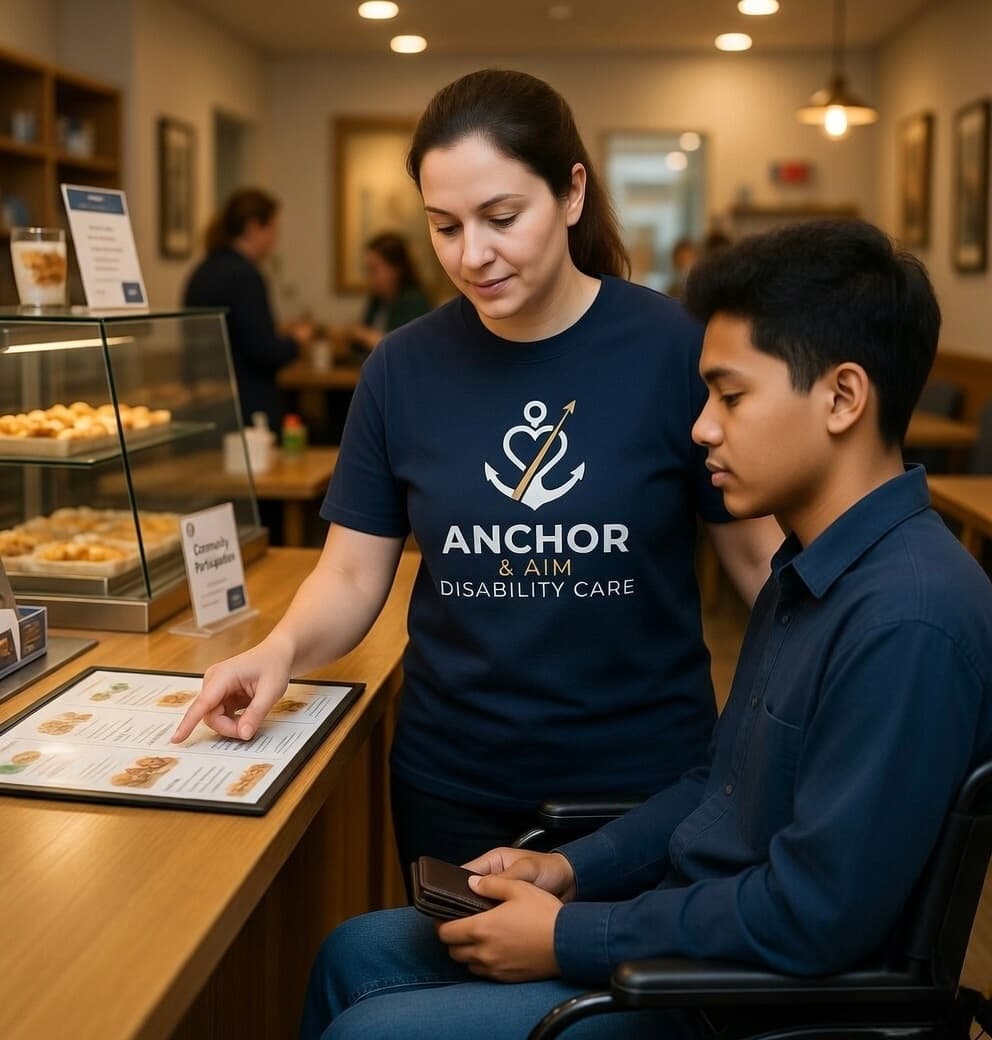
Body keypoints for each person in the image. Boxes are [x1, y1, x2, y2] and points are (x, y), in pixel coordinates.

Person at [299, 219, 992, 1039]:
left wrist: (569, 936)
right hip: (694, 933)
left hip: (740, 1001)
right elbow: (716, 792)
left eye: (730, 397)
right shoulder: (811, 569)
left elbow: (814, 916)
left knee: (364, 1029)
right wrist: (566, 870)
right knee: (352, 954)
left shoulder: (908, 616)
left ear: (842, 397)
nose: (700, 427)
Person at [172, 69, 779, 879]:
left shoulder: (673, 348)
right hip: (452, 779)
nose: (473, 255)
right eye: (444, 226)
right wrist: (279, 650)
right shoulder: (401, 369)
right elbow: (352, 576)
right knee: (453, 989)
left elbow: (758, 562)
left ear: (571, 193)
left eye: (501, 218)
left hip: (643, 789)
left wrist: (808, 712)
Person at [183, 188, 313, 431]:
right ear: (253, 227)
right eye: (273, 230)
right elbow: (263, 350)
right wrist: (297, 340)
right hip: (245, 406)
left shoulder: (202, 271)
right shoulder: (245, 276)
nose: (275, 241)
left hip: (206, 402)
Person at [343, 232, 432, 359]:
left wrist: (364, 334)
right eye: (367, 270)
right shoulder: (377, 300)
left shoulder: (414, 301)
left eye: (374, 269)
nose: (369, 277)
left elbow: (404, 348)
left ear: (396, 270)